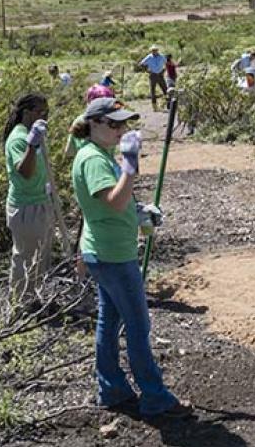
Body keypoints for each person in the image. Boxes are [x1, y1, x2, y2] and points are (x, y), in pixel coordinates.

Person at [70, 97, 192, 419]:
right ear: (94, 124)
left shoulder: (97, 154)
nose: (121, 129)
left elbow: (115, 205)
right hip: (112, 255)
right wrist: (131, 163)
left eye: (123, 123)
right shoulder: (94, 158)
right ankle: (154, 397)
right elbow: (113, 200)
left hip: (105, 250)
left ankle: (112, 389)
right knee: (138, 325)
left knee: (109, 321)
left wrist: (138, 214)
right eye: (114, 124)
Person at [2, 94, 56, 305]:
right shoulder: (18, 138)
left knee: (39, 258)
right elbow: (25, 171)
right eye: (42, 113)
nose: (45, 117)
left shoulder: (29, 134)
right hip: (26, 208)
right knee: (26, 258)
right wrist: (31, 145)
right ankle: (19, 304)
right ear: (27, 113)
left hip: (40, 202)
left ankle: (33, 299)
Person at [139, 45, 168, 110]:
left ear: (157, 50)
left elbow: (166, 63)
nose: (154, 51)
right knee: (153, 91)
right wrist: (146, 70)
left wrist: (164, 70)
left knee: (165, 89)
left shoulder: (162, 56)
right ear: (151, 51)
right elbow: (141, 64)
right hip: (153, 75)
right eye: (153, 50)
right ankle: (154, 107)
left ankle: (168, 104)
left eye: (155, 50)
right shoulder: (149, 57)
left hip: (160, 74)